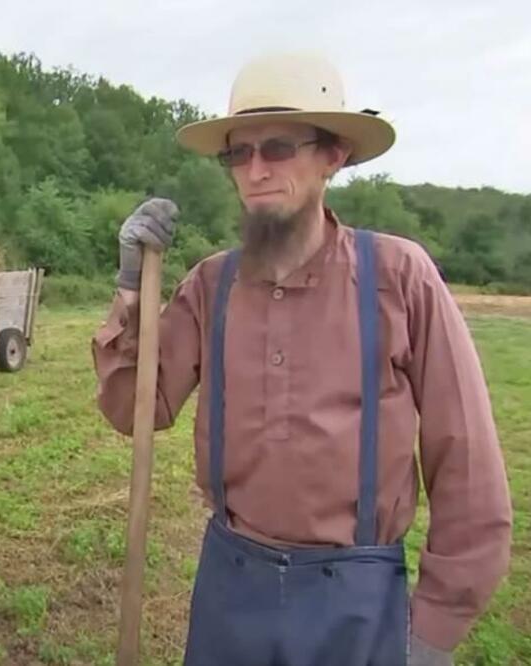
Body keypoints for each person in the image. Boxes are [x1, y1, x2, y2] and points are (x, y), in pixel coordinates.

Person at [91, 51, 512, 666]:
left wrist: (432, 636)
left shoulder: (398, 276)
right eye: (239, 153)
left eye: (279, 148)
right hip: (231, 585)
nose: (255, 170)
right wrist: (130, 286)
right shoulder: (212, 287)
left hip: (358, 600)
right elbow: (135, 408)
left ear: (332, 156)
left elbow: (467, 463)